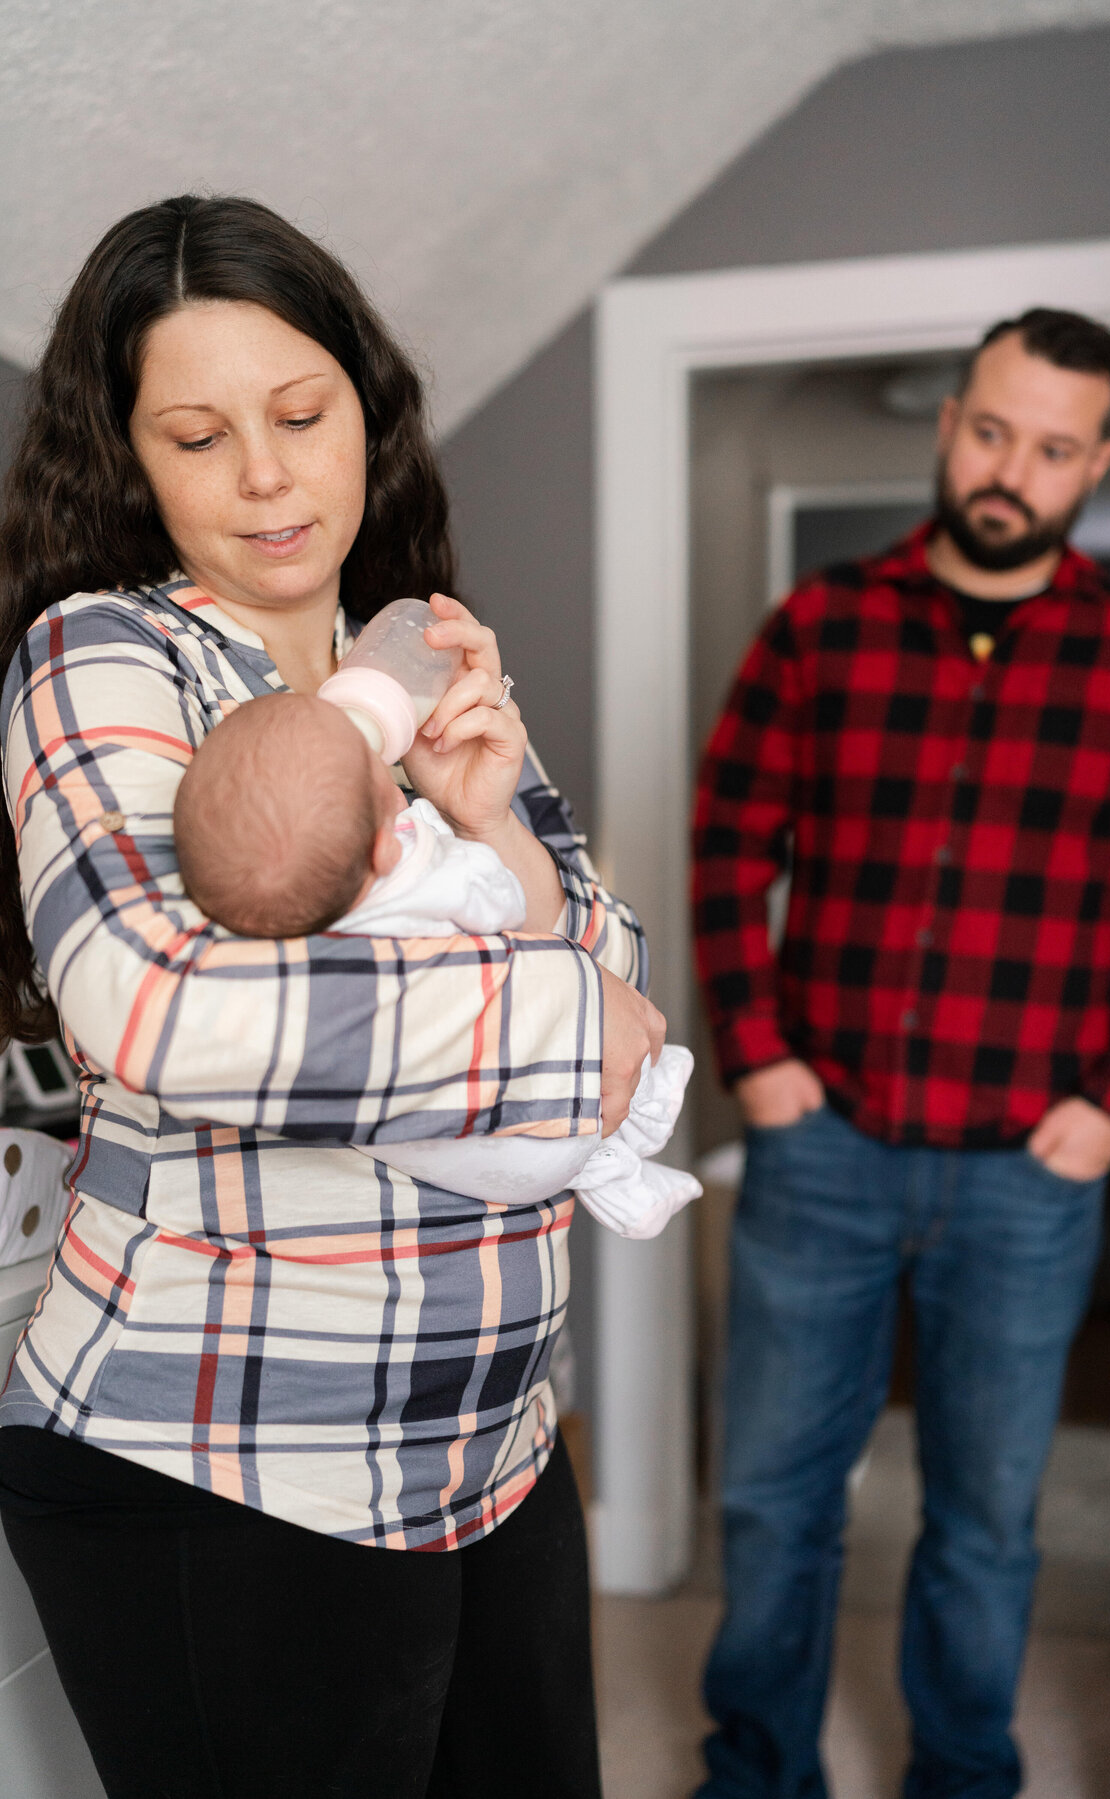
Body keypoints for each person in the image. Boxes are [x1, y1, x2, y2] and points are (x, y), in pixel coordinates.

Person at [0, 193, 665, 1799]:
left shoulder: (425, 648)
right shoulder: (105, 657)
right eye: (198, 434)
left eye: (300, 413)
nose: (269, 474)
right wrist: (580, 1032)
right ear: (131, 462)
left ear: (364, 404)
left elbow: (608, 942)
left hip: (491, 1436)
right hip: (231, 1460)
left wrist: (494, 815)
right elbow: (158, 1004)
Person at [691, 308, 1110, 1799]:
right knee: (777, 1498)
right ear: (949, 421)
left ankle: (964, 1774)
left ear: (1095, 461)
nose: (1010, 470)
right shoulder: (818, 627)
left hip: (1031, 1170)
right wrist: (761, 1059)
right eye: (991, 430)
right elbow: (730, 840)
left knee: (988, 1515)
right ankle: (754, 1767)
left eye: (1052, 449)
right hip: (822, 1141)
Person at [172, 689, 699, 1235]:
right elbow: (506, 902)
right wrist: (451, 838)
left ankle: (610, 1170)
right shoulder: (419, 870)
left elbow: (626, 954)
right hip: (535, 1132)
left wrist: (488, 818)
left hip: (437, 1150)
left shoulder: (287, 925)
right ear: (382, 848)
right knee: (604, 1110)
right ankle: (613, 1164)